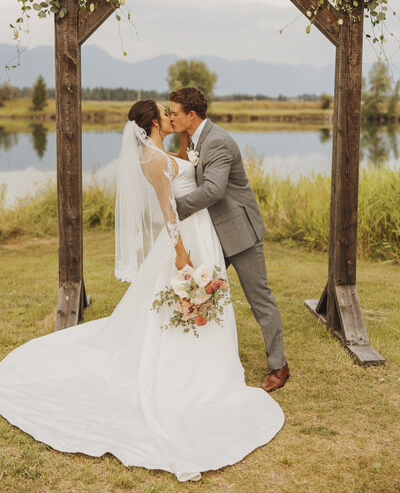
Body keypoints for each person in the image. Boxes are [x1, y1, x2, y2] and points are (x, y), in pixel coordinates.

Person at [0, 99, 284, 483]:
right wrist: (181, 250)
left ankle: (228, 357)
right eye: (166, 113)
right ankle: (192, 367)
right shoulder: (153, 158)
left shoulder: (168, 150)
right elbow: (169, 210)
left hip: (205, 233)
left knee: (207, 295)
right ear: (153, 121)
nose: (171, 116)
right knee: (185, 296)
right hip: (188, 236)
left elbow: (197, 181)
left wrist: (184, 159)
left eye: (175, 112)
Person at [169, 87, 289, 392]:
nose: (171, 117)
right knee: (198, 291)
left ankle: (279, 366)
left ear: (191, 115)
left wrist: (175, 209)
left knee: (259, 299)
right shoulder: (197, 139)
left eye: (175, 113)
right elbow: (185, 165)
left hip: (240, 234)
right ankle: (199, 358)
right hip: (213, 236)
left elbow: (213, 190)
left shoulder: (218, 141)